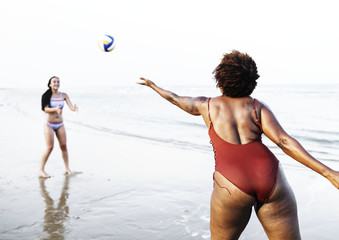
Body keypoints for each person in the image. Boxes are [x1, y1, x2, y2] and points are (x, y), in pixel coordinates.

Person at [137, 50, 339, 240]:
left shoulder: (205, 106)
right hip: (271, 177)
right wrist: (329, 173)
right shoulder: (257, 107)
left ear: (220, 79)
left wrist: (153, 86)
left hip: (231, 182)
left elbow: (175, 99)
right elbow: (284, 141)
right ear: (252, 81)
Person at [39, 76, 78, 178]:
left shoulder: (64, 95)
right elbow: (46, 109)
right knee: (50, 147)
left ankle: (67, 168)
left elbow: (71, 107)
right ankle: (41, 170)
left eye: (58, 82)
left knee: (64, 146)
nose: (56, 83)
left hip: (60, 124)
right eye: (54, 82)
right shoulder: (47, 95)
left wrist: (74, 108)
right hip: (49, 124)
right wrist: (55, 109)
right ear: (50, 84)